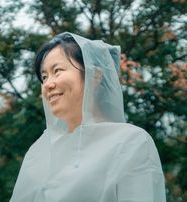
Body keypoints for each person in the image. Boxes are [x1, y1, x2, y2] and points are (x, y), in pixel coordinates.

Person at [10, 32, 166, 202]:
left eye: (57, 71)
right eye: (44, 76)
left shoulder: (130, 142)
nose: (48, 84)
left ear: (94, 75)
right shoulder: (38, 152)